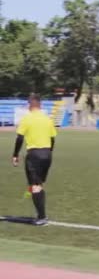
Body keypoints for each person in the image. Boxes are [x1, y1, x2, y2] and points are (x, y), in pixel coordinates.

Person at [12, 94, 57, 226]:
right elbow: (53, 138)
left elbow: (19, 138)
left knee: (35, 186)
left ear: (30, 105)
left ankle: (42, 218)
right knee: (38, 184)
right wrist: (49, 152)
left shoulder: (27, 119)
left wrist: (15, 155)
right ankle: (40, 214)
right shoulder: (47, 119)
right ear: (40, 105)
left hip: (34, 155)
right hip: (47, 154)